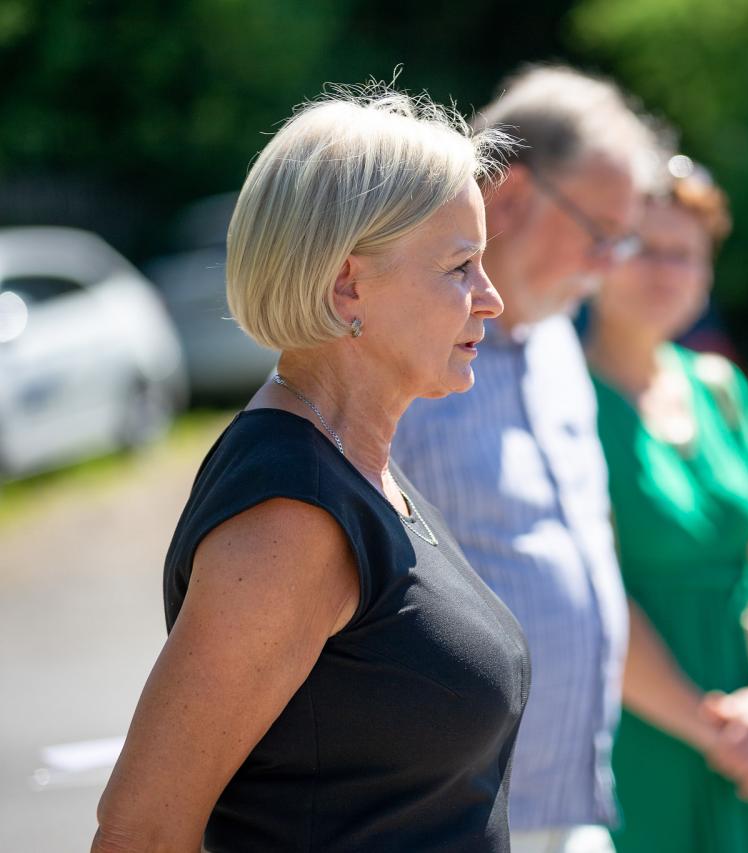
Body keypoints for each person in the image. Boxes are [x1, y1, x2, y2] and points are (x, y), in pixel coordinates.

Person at [93, 88, 529, 852]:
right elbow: (143, 831)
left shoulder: (351, 463)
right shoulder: (294, 513)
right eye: (461, 265)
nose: (490, 298)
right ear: (346, 283)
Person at [391, 66, 655, 853]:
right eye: (600, 232)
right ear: (508, 198)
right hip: (449, 820)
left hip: (570, 808)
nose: (609, 264)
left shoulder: (557, 341)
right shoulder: (395, 355)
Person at [585, 156, 748, 853]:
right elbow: (593, 594)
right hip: (637, 733)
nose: (664, 271)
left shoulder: (721, 388)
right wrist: (716, 730)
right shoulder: (565, 398)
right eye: (641, 247)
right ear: (600, 255)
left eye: (684, 254)